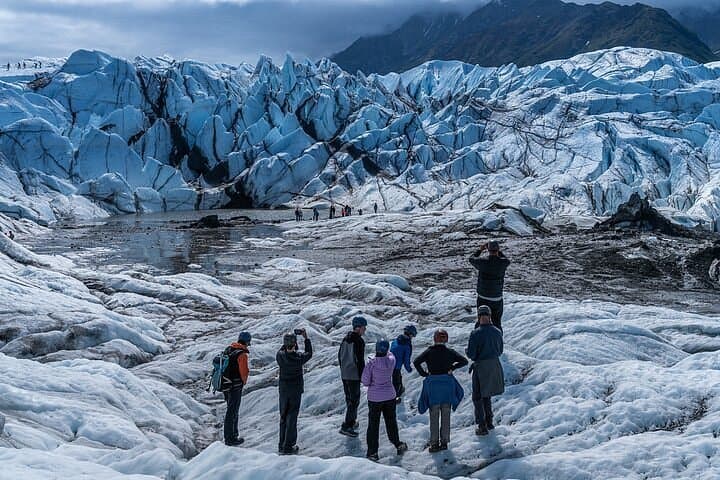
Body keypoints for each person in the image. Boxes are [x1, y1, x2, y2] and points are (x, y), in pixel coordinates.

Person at [414, 329, 468, 452]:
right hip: (447, 386)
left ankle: (434, 444)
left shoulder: (429, 352)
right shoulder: (450, 352)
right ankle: (444, 442)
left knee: (434, 415)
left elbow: (416, 362)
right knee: (446, 414)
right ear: (446, 339)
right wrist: (452, 368)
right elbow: (464, 361)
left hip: (433, 386)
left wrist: (424, 374)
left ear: (434, 338)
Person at [361, 339, 408, 461]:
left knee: (373, 425)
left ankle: (373, 453)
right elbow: (390, 354)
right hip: (389, 395)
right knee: (391, 422)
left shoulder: (371, 363)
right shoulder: (391, 360)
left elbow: (365, 381)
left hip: (375, 398)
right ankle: (398, 444)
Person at [466, 305, 504, 436]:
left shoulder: (476, 333)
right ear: (489, 315)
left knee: (477, 397)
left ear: (479, 316)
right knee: (487, 395)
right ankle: (489, 421)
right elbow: (500, 351)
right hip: (494, 365)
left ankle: (482, 425)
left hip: (480, 366)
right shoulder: (497, 331)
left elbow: (471, 354)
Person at [276, 328, 313, 455]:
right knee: (292, 418)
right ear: (295, 344)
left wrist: (288, 341)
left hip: (283, 390)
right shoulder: (299, 358)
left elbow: (282, 349)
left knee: (283, 417)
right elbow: (309, 352)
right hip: (295, 390)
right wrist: (306, 338)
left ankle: (281, 445)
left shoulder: (280, 356)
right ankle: (289, 446)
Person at [469, 241, 510, 330]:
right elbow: (506, 259)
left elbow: (471, 258)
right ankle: (497, 340)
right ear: (497, 249)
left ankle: (478, 337)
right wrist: (499, 252)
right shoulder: (503, 263)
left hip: (483, 297)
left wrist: (480, 250)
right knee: (497, 322)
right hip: (497, 298)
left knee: (481, 320)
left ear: (488, 249)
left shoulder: (482, 261)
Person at [338, 316, 367, 437]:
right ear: (358, 328)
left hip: (345, 373)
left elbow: (339, 356)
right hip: (354, 374)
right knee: (354, 400)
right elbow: (359, 360)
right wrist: (363, 375)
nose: (365, 330)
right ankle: (347, 426)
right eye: (364, 328)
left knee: (349, 398)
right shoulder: (359, 341)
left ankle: (352, 420)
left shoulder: (345, 339)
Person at [222, 331, 251, 446]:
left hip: (226, 385)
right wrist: (243, 382)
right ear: (247, 341)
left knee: (231, 409)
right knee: (232, 411)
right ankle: (230, 438)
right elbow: (244, 372)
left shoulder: (229, 349)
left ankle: (233, 434)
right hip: (235, 386)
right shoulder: (242, 354)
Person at [390, 325, 417, 403]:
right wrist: (409, 369)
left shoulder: (396, 340)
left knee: (397, 377)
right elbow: (406, 359)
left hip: (389, 363)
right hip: (396, 366)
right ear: (410, 334)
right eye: (413, 335)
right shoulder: (407, 346)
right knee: (396, 381)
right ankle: (395, 398)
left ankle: (399, 389)